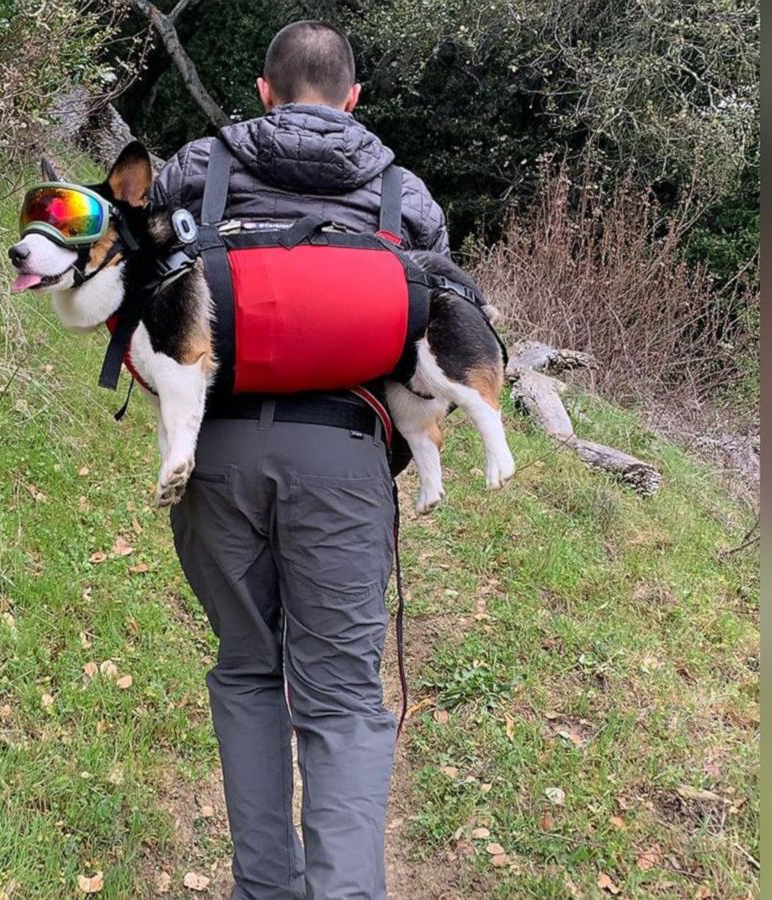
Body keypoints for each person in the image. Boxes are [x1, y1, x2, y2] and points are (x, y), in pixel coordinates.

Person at [148, 20, 449, 900]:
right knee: (344, 699)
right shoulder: (405, 193)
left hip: (217, 452)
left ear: (264, 91)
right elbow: (437, 328)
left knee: (247, 669)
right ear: (354, 100)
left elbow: (146, 290)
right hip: (346, 458)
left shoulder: (196, 170)